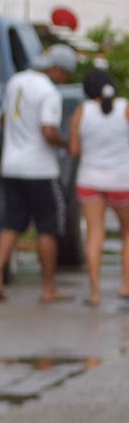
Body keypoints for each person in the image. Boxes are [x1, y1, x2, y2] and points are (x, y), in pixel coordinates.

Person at [0, 43, 77, 302]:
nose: (64, 80)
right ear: (57, 69)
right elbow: (48, 131)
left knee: (11, 222)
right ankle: (48, 288)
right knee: (48, 227)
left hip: (12, 165)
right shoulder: (49, 92)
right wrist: (66, 144)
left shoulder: (16, 82)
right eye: (66, 74)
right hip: (40, 169)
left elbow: (3, 119)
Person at [68, 61, 129, 307]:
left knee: (95, 234)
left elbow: (73, 149)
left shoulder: (82, 112)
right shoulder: (125, 108)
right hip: (122, 181)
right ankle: (126, 286)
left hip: (89, 179)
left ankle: (95, 293)